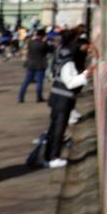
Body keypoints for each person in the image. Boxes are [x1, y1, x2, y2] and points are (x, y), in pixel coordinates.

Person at [43, 28, 91, 168]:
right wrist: (85, 75)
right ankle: (54, 157)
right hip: (63, 98)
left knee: (53, 127)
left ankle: (48, 156)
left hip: (56, 95)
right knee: (59, 128)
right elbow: (70, 82)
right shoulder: (68, 61)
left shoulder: (60, 54)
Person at [19, 28, 51, 104]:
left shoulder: (30, 42)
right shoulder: (44, 44)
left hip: (30, 63)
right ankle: (38, 97)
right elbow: (47, 51)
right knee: (39, 82)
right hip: (40, 63)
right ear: (43, 35)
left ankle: (21, 97)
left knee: (26, 82)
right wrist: (45, 42)